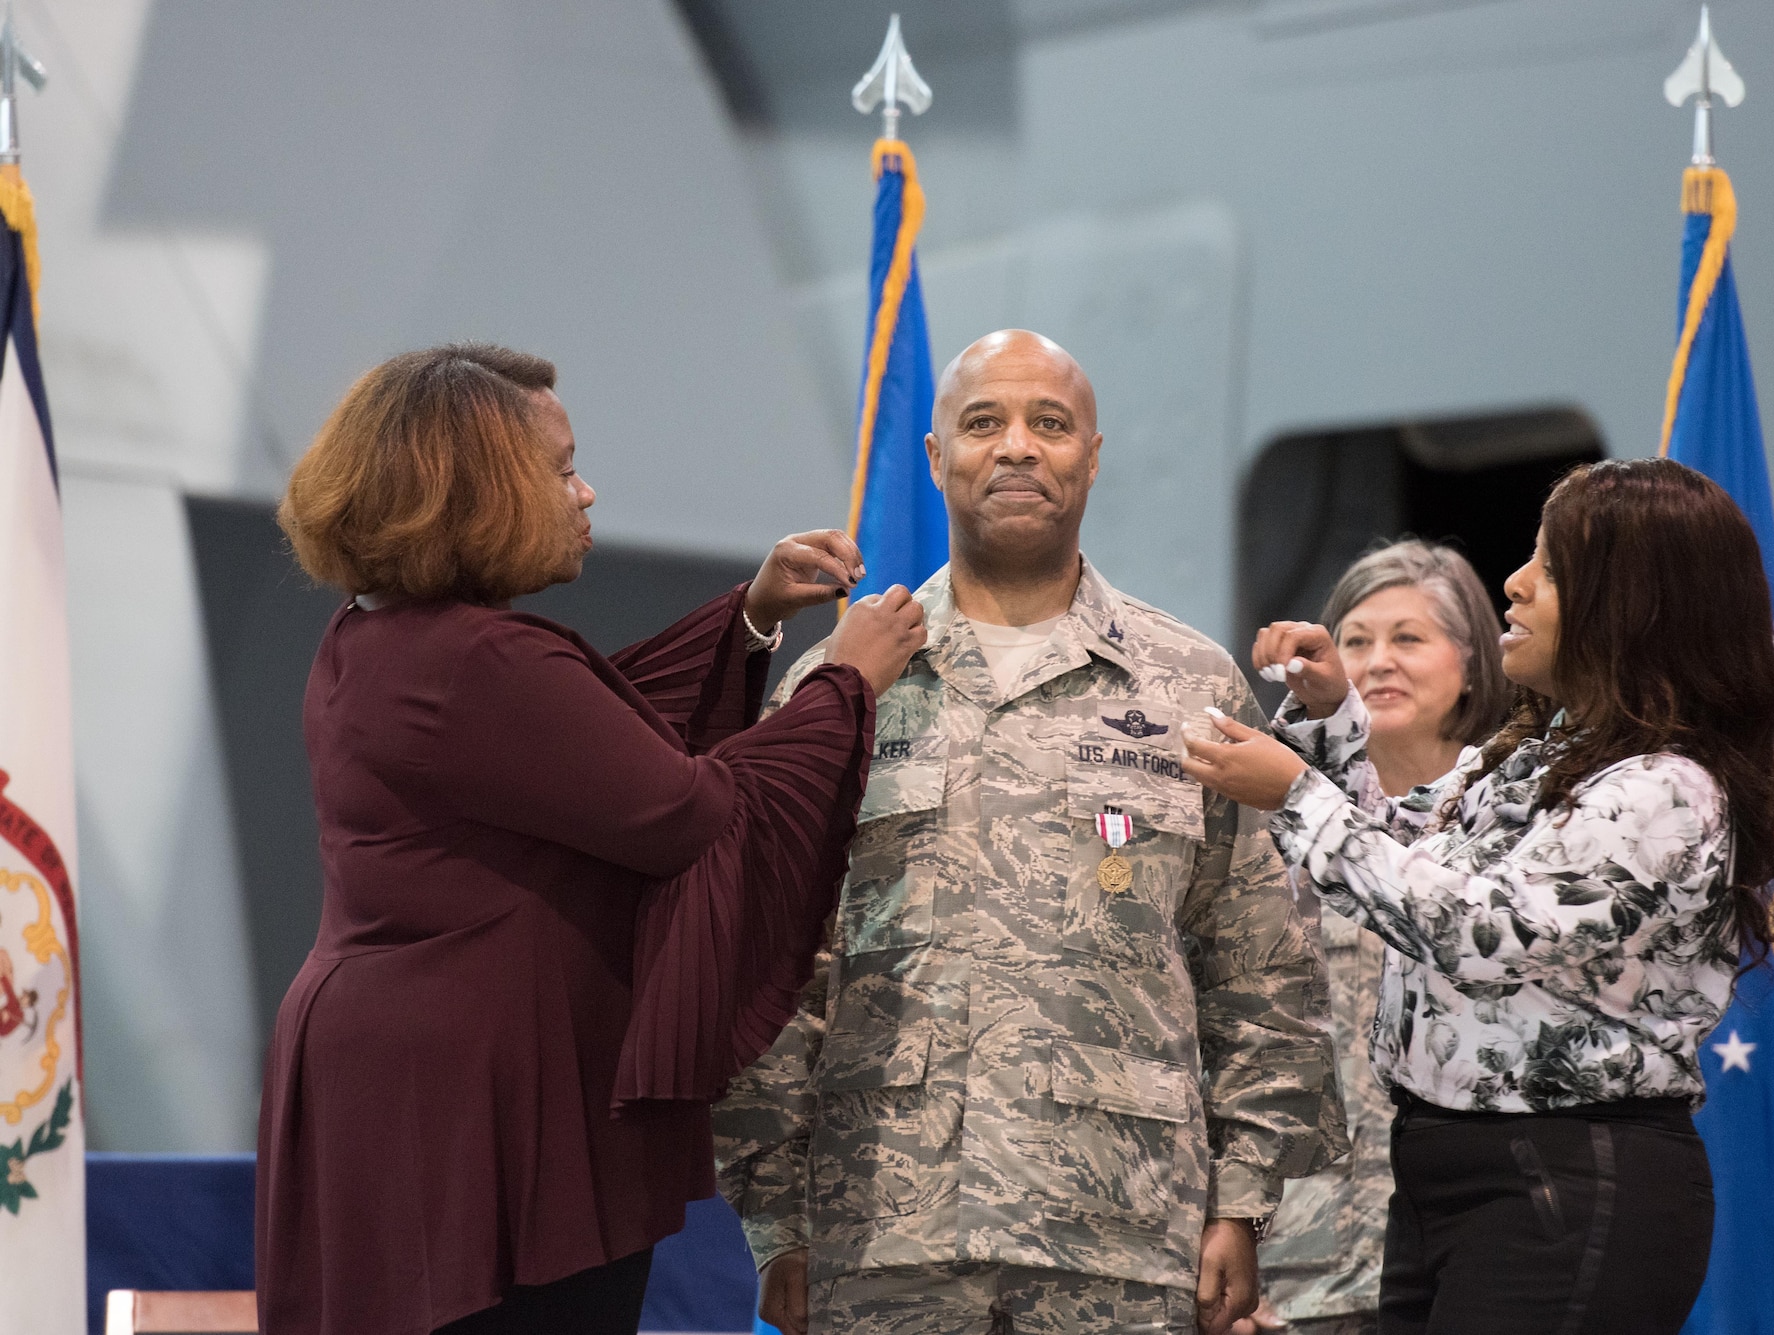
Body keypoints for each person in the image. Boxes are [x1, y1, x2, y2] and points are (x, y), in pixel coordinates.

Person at [254, 344, 927, 1335]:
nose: (586, 491)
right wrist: (846, 681)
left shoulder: (378, 635)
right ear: (478, 492)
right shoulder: (482, 658)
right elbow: (689, 812)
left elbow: (584, 747)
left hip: (394, 1080)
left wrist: (748, 620)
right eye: (560, 469)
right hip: (483, 1102)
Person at [714, 330, 1344, 1335]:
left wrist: (1242, 1199)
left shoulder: (1190, 685)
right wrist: (773, 1216)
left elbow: (1258, 963)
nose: (1016, 447)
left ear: (1091, 456)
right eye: (983, 423)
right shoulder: (839, 689)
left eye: (1048, 425)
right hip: (879, 1229)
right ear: (934, 458)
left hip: (1124, 1235)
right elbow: (775, 966)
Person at [1184, 458, 1774, 1335]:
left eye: (1548, 567)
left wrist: (1292, 792)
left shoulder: (1666, 790)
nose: (1515, 582)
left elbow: (1478, 929)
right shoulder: (1546, 754)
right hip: (1449, 1171)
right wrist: (1329, 721)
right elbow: (1408, 853)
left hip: (1565, 1180)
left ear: (1630, 600)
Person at [1244, 542, 1509, 1335]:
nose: (1378, 662)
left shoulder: (1518, 815)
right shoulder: (1269, 818)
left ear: (1472, 661)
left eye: (1409, 637)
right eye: (1355, 640)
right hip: (1296, 1260)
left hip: (1474, 1244)